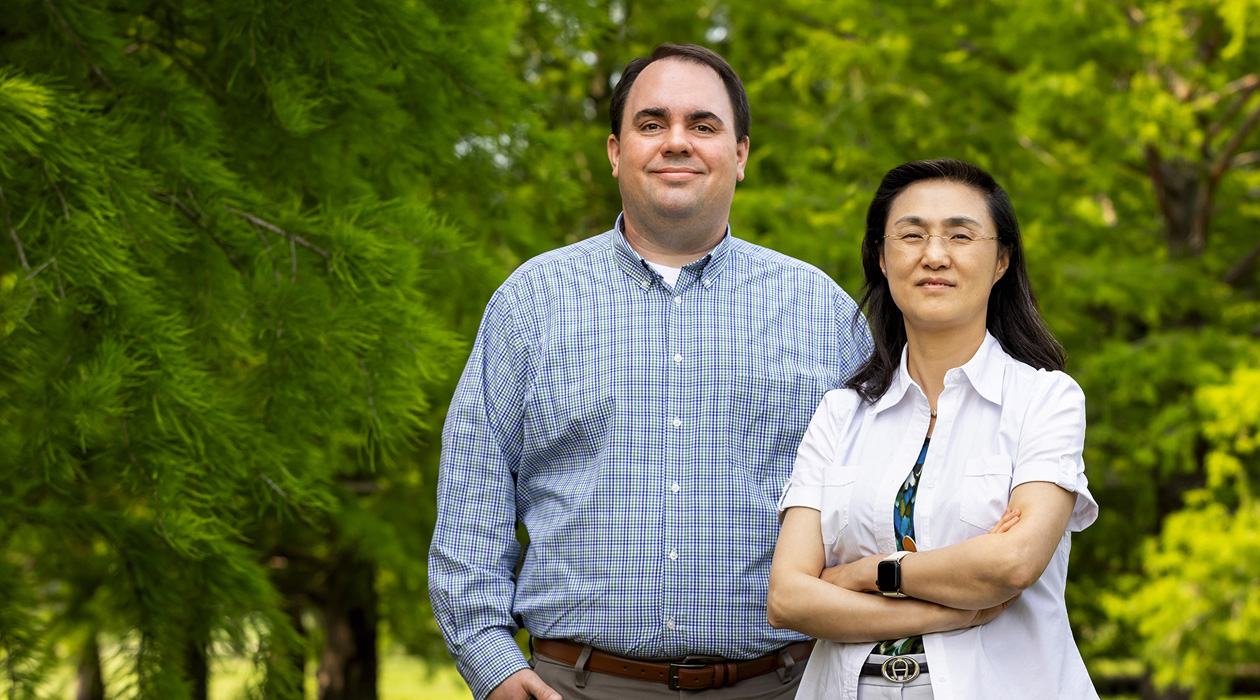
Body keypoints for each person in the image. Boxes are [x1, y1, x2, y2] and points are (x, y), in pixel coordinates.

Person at [428, 44, 871, 700]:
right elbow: (474, 491)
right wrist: (491, 663)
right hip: (573, 686)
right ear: (615, 151)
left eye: (702, 125)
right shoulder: (531, 303)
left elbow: (875, 502)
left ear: (741, 154)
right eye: (651, 123)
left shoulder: (821, 310)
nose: (676, 143)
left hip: (785, 684)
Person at [768, 158, 1100, 699]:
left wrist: (868, 573)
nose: (934, 255)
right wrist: (949, 611)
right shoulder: (841, 413)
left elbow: (1012, 563)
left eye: (960, 236)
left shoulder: (1045, 399)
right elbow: (788, 597)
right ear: (881, 256)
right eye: (912, 235)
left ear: (1001, 260)